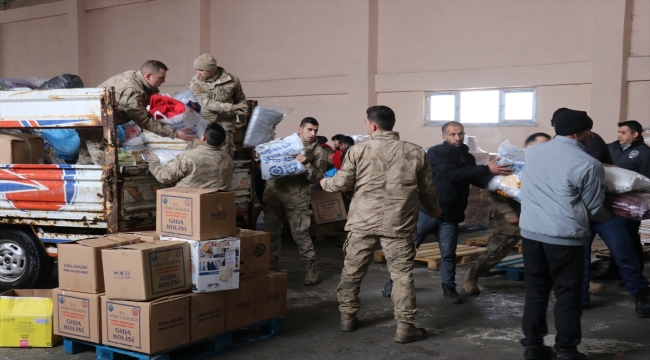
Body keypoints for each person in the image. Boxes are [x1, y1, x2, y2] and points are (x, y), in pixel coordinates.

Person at [321, 106, 441, 343]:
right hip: (399, 222)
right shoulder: (416, 152)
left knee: (352, 272)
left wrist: (325, 182)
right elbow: (427, 189)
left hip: (362, 221)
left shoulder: (358, 150)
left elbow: (341, 184)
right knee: (402, 275)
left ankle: (347, 318)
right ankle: (405, 327)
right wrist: (434, 209)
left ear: (372, 125)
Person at [382, 121, 512, 304]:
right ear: (444, 136)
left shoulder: (468, 158)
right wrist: (484, 169)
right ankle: (392, 283)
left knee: (449, 254)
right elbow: (449, 174)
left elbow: (477, 179)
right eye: (452, 134)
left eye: (460, 134)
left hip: (451, 215)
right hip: (427, 212)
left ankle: (449, 289)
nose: (457, 138)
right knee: (408, 250)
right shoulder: (435, 153)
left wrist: (501, 179)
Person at [519, 109, 611, 360]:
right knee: (567, 294)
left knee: (536, 291)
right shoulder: (589, 164)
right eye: (589, 131)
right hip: (564, 238)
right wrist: (614, 215)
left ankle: (533, 347)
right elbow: (593, 208)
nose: (590, 135)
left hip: (530, 233)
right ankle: (567, 351)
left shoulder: (532, 151)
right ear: (579, 132)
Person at [462, 133, 551, 294]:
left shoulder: (549, 165)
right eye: (541, 145)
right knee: (495, 252)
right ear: (529, 147)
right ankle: (473, 275)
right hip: (510, 220)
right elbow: (495, 189)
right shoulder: (512, 163)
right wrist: (508, 212)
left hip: (539, 220)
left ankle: (581, 283)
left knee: (552, 252)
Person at [77, 60, 195, 165]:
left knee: (87, 160)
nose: (164, 81)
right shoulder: (132, 92)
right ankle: (100, 189)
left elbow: (153, 100)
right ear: (148, 76)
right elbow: (145, 122)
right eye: (161, 78)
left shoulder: (136, 77)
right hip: (94, 124)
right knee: (103, 163)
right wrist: (175, 134)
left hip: (96, 119)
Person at [263, 117, 328, 285]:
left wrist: (307, 163)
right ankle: (272, 268)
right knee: (272, 235)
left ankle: (311, 270)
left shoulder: (318, 153)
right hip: (275, 194)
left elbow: (317, 177)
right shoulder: (285, 143)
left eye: (315, 130)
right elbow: (267, 161)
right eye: (309, 130)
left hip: (296, 198)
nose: (313, 134)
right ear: (300, 128)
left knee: (301, 235)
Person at [189, 54, 249, 157]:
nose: (198, 73)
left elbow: (240, 99)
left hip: (226, 125)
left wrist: (242, 114)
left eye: (201, 70)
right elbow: (205, 102)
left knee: (225, 156)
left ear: (212, 69)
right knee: (202, 156)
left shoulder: (232, 80)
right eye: (197, 69)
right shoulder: (195, 82)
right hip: (204, 125)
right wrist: (230, 107)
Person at [145, 122, 233, 190]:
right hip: (216, 205)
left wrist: (154, 161)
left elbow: (164, 176)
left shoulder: (188, 157)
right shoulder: (228, 159)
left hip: (188, 206)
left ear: (204, 138)